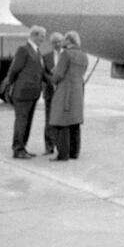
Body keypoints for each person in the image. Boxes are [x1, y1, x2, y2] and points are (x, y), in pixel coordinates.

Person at [5, 25, 47, 159]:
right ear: (34, 35)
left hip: (33, 93)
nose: (43, 40)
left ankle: (23, 147)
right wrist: (8, 84)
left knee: (27, 122)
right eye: (42, 37)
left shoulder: (37, 51)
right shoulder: (23, 50)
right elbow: (14, 69)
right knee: (21, 121)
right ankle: (17, 149)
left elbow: (42, 71)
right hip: (22, 93)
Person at [49, 31, 88, 161]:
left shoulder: (66, 54)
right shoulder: (84, 55)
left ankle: (63, 154)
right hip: (78, 92)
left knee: (60, 122)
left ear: (69, 40)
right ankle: (74, 152)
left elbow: (59, 74)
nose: (62, 42)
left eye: (65, 39)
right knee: (74, 122)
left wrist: (52, 79)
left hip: (65, 91)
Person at [41, 32, 64, 155]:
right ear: (51, 43)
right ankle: (49, 147)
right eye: (55, 42)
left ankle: (61, 145)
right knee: (49, 120)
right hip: (50, 92)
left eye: (59, 42)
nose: (58, 44)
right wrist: (51, 81)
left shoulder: (66, 56)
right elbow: (43, 72)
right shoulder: (46, 56)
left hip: (62, 92)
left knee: (61, 119)